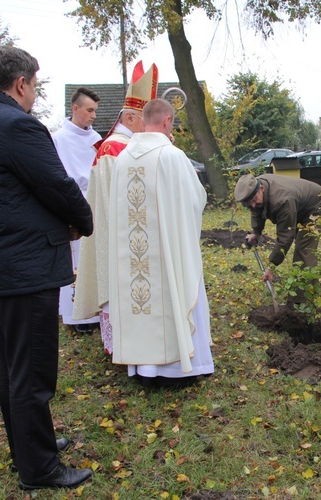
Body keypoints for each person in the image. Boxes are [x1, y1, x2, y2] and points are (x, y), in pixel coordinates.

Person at [0, 46, 93, 490]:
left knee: (11, 367)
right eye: (34, 85)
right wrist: (83, 221)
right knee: (31, 372)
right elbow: (56, 184)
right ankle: (40, 469)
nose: (34, 93)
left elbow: (8, 195)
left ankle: (31, 445)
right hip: (22, 266)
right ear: (21, 84)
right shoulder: (16, 124)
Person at [107, 98, 214, 386]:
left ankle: (143, 368)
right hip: (168, 253)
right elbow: (195, 200)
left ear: (143, 120)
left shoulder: (123, 158)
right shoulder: (172, 156)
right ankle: (178, 369)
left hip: (132, 257)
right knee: (173, 292)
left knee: (139, 300)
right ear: (167, 121)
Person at [73, 63, 156, 355]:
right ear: (131, 118)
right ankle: (122, 346)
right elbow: (112, 207)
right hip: (120, 237)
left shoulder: (128, 146)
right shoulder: (114, 150)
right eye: (145, 121)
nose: (148, 129)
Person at [53, 87, 102, 333]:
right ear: (75, 108)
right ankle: (75, 317)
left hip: (95, 200)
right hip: (73, 200)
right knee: (75, 259)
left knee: (94, 257)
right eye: (89, 110)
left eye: (95, 110)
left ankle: (95, 310)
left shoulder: (96, 139)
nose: (93, 115)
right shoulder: (59, 138)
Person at [234, 174, 321, 289]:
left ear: (261, 188)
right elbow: (256, 210)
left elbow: (285, 237)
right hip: (297, 204)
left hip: (313, 205)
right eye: (248, 204)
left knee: (304, 251)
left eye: (254, 200)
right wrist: (256, 233)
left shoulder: (282, 200)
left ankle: (305, 300)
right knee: (301, 249)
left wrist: (271, 266)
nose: (253, 205)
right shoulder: (256, 188)